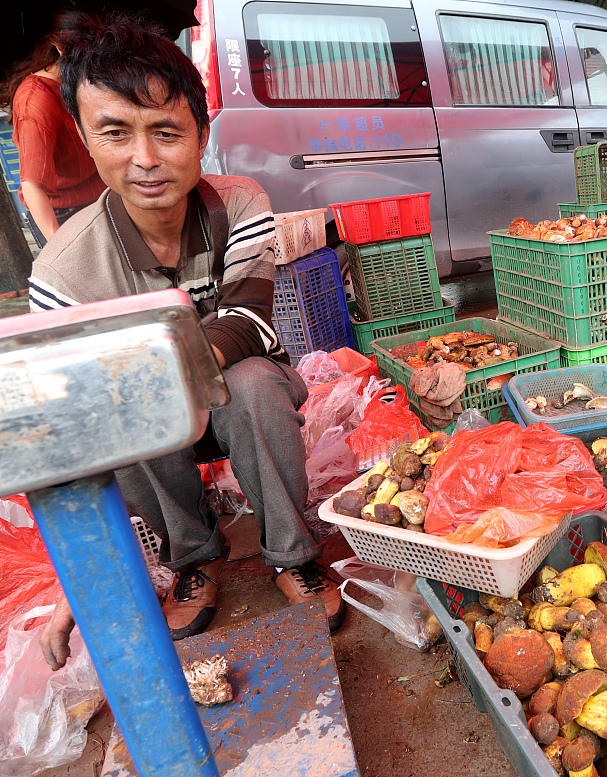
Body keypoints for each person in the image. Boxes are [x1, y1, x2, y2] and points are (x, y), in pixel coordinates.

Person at [31, 14, 344, 670]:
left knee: (255, 382)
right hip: (153, 424)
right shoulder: (63, 271)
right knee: (118, 409)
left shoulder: (239, 202)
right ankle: (195, 556)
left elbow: (253, 323)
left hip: (234, 391)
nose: (144, 159)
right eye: (115, 132)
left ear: (200, 136)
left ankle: (292, 553)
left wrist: (143, 367)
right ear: (87, 139)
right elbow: (74, 430)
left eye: (166, 131)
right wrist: (77, 583)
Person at [0, 10, 105, 248]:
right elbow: (32, 185)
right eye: (80, 57)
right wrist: (59, 247)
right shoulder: (36, 101)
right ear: (59, 48)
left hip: (102, 199)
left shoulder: (83, 81)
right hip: (64, 214)